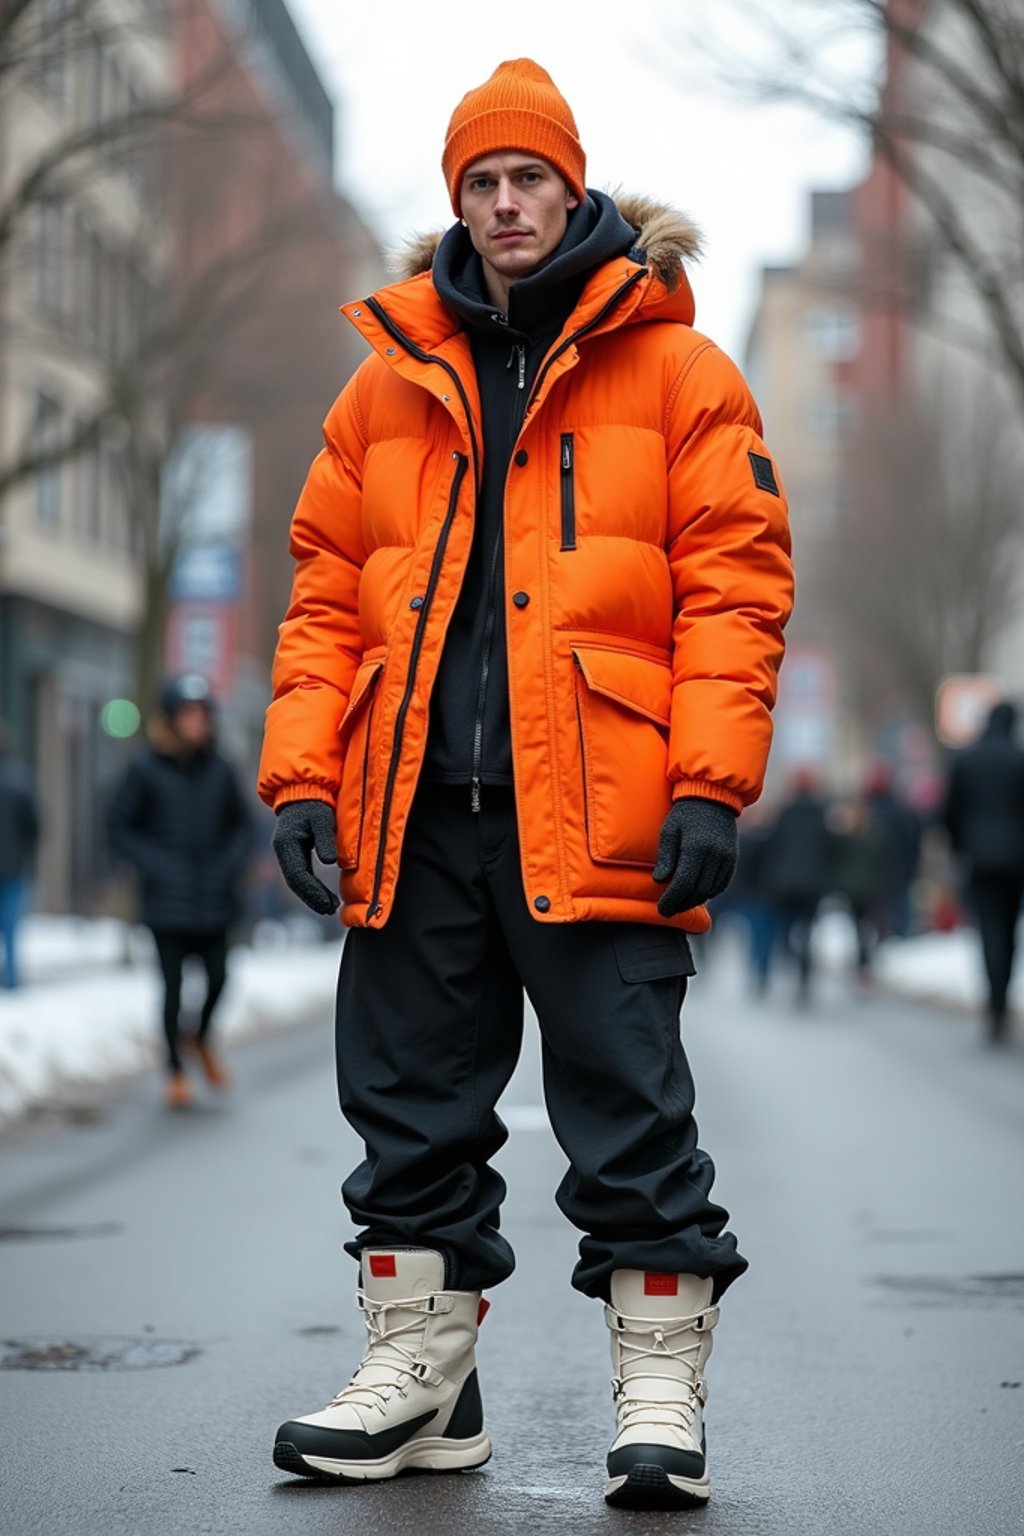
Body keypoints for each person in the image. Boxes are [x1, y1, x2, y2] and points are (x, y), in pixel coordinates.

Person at [259, 59, 792, 1510]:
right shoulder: (384, 385)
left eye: (528, 180)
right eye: (480, 184)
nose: (505, 204)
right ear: (458, 202)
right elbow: (322, 597)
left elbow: (736, 589)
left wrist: (709, 785)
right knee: (410, 1110)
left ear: (573, 189)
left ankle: (662, 1392)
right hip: (413, 809)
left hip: (604, 808)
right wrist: (304, 776)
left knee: (631, 1116)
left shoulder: (681, 371)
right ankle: (423, 1387)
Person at [108, 675, 252, 1107]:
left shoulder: (222, 767)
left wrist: (230, 865)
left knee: (220, 978)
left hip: (213, 896)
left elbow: (242, 824)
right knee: (171, 988)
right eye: (187, 714)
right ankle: (174, 1069)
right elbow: (119, 824)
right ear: (171, 719)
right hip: (166, 900)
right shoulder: (144, 767)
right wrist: (155, 866)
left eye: (202, 713)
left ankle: (201, 1037)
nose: (196, 722)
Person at [942, 700, 1024, 1042]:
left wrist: (960, 847)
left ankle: (993, 1007)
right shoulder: (1019, 759)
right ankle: (1001, 1003)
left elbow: (950, 810)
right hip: (1017, 860)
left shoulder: (967, 758)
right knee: (1009, 930)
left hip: (978, 858)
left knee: (988, 929)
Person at [762, 769, 834, 1005]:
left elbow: (773, 846)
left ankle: (793, 961)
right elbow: (830, 848)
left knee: (786, 931)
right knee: (806, 932)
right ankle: (804, 971)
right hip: (812, 884)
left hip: (785, 884)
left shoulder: (784, 813)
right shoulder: (821, 814)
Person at [0, 721, 41, 989]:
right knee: (12, 929)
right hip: (14, 867)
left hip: (14, 866)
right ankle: (11, 981)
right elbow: (35, 825)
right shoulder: (20, 781)